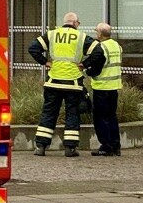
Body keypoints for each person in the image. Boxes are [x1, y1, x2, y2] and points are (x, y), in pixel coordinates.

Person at [28, 12, 104, 157]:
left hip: (53, 82)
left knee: (49, 113)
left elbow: (33, 48)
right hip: (73, 84)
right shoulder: (81, 37)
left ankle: (41, 147)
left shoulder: (52, 34)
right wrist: (85, 64)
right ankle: (70, 148)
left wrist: (45, 62)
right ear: (75, 23)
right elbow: (99, 52)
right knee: (72, 113)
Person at [89, 22, 123, 156]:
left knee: (101, 118)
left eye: (96, 31)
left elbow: (96, 68)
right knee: (112, 117)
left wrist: (88, 71)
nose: (95, 33)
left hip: (101, 87)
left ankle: (106, 146)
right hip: (114, 87)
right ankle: (116, 145)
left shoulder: (101, 47)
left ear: (100, 34)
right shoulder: (117, 45)